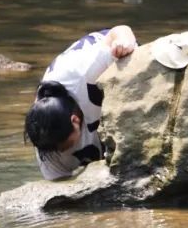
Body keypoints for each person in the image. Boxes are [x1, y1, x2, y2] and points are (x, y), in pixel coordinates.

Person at [24, 25, 137, 180]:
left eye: (64, 146)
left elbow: (119, 30)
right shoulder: (47, 143)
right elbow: (57, 184)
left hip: (104, 53)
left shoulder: (87, 71)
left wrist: (123, 42)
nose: (59, 152)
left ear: (75, 120)